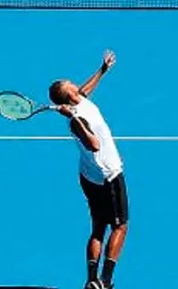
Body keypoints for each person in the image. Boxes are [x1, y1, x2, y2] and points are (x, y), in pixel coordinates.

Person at [49, 50, 126, 289]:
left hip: (88, 176)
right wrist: (74, 119)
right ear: (69, 95)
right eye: (71, 84)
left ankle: (91, 280)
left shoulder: (79, 101)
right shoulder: (77, 119)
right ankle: (105, 281)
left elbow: (85, 91)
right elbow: (93, 144)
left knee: (98, 229)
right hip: (107, 176)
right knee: (120, 226)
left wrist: (102, 70)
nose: (75, 83)